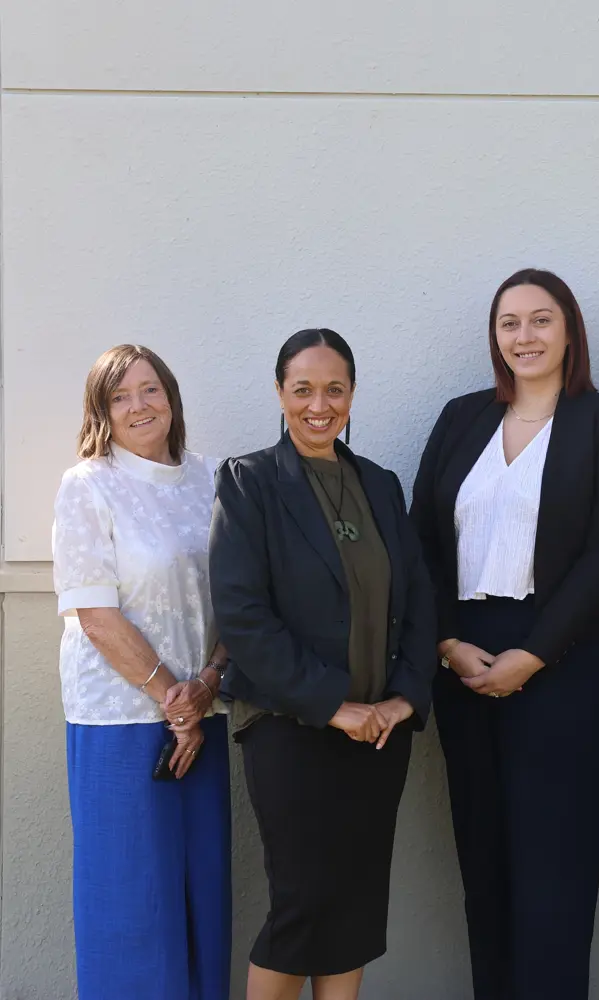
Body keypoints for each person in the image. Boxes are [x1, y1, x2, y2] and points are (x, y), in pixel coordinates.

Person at [410, 269, 599, 1000]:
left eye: (541, 320)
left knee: (556, 865)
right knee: (484, 858)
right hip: (465, 657)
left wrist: (535, 654)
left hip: (562, 659)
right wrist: (446, 642)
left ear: (569, 330)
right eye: (510, 323)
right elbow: (419, 541)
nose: (525, 336)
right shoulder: (460, 418)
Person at [209, 328, 436, 1000]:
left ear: (352, 395)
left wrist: (402, 700)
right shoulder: (248, 483)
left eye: (333, 389)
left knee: (357, 904)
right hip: (291, 728)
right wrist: (334, 705)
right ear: (280, 395)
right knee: (303, 905)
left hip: (377, 733)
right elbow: (243, 617)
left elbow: (420, 603)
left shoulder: (382, 486)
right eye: (302, 389)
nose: (319, 404)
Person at [52, 344, 232, 1000]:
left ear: (172, 397)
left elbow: (239, 599)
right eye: (120, 396)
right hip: (122, 724)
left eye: (150, 389)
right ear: (102, 411)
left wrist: (205, 688)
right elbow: (94, 614)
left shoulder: (210, 479)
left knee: (198, 895)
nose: (139, 406)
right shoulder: (89, 485)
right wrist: (169, 699)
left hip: (202, 716)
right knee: (132, 901)